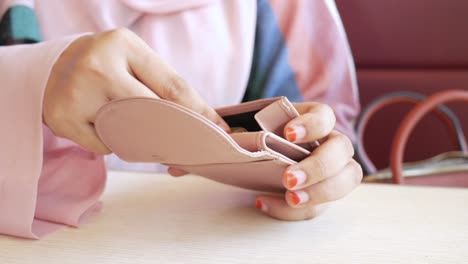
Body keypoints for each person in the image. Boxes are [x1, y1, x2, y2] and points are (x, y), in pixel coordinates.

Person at [0, 0, 362, 239]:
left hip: (218, 236)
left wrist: (317, 171)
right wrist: (31, 78)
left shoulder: (283, 7)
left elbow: (320, 125)